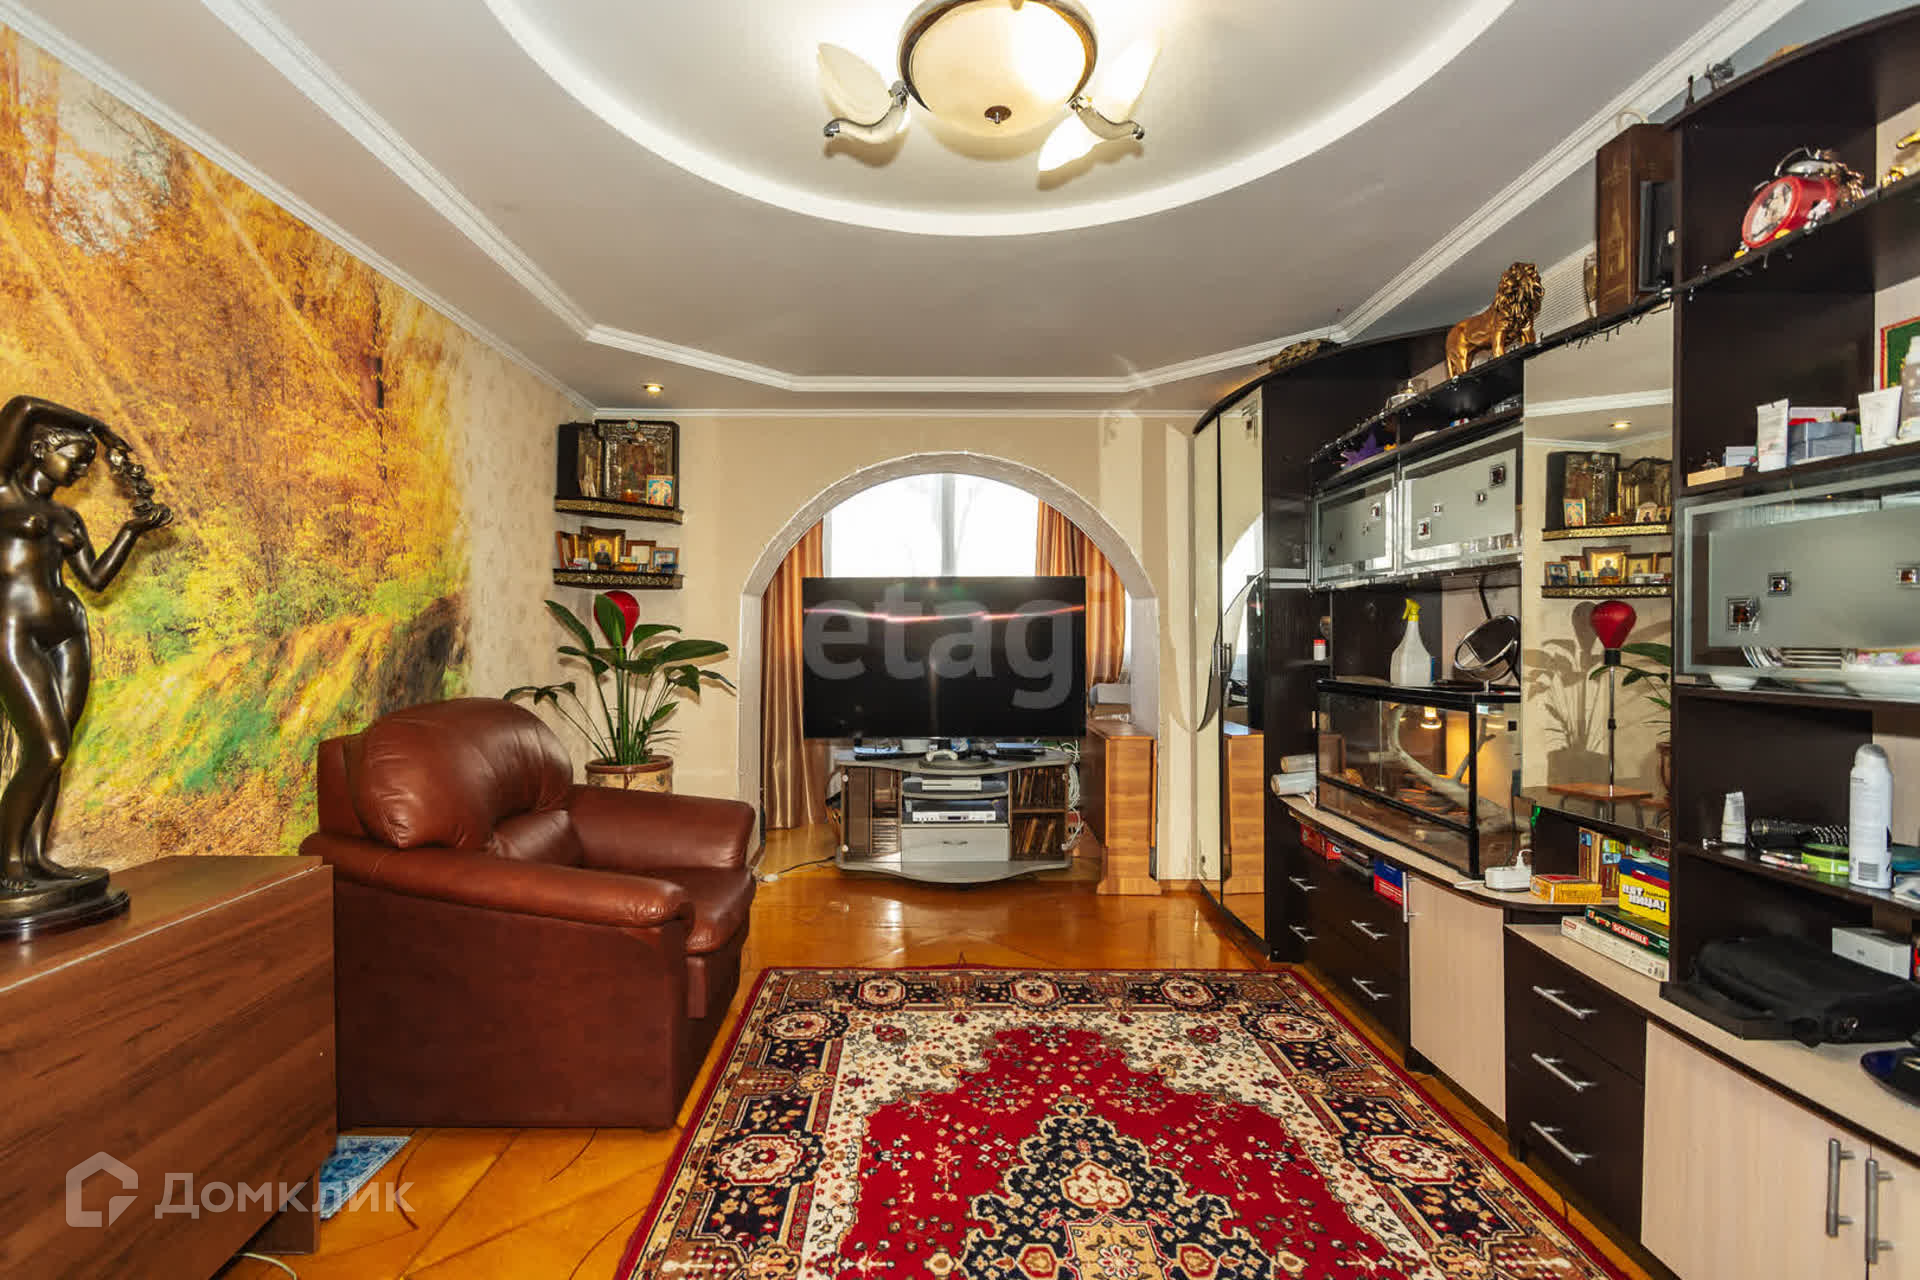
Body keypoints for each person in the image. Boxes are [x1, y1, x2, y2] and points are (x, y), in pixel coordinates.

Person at [0, 396, 170, 902]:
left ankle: (36, 857)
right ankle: (7, 862)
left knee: (59, 752)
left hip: (68, 630)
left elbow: (95, 579)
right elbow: (23, 406)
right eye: (74, 459)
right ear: (39, 449)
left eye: (85, 465)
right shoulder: (3, 490)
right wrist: (98, 427)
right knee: (46, 747)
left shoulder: (67, 518)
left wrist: (131, 532)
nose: (79, 471)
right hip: (13, 629)